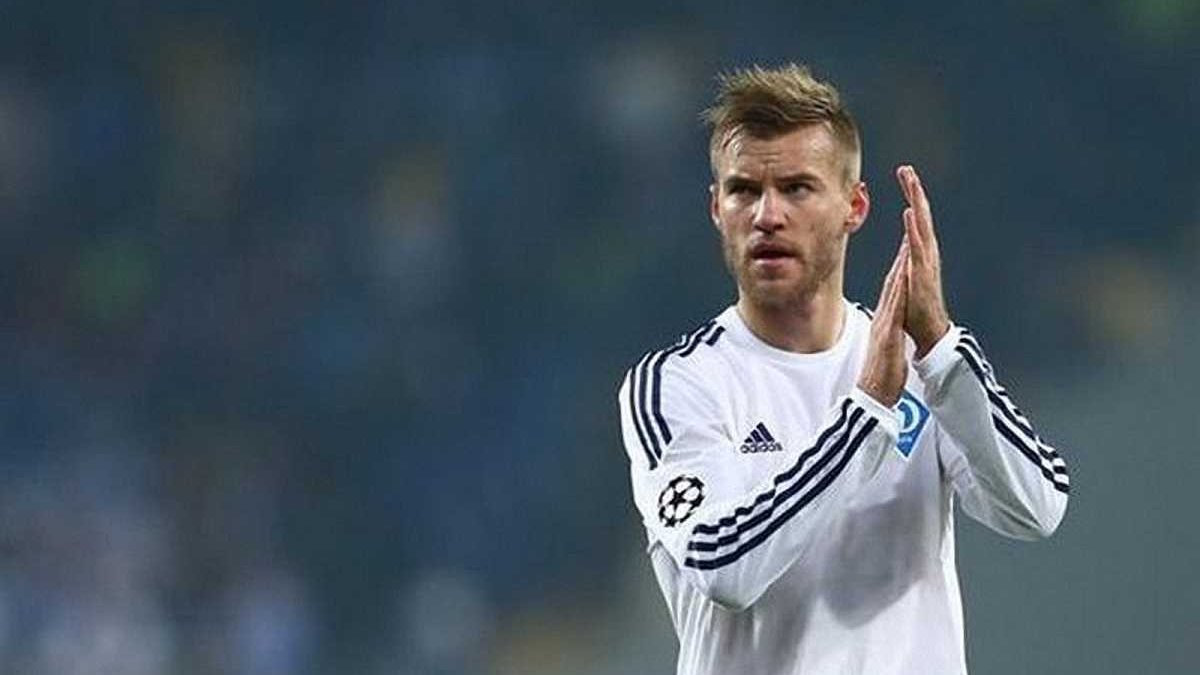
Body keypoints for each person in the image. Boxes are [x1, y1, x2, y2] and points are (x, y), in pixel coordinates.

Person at [616, 64, 1069, 675]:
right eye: (744, 190)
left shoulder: (924, 365)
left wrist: (941, 347)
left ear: (854, 206)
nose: (767, 215)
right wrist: (867, 414)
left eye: (797, 188)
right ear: (716, 208)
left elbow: (1036, 506)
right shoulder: (677, 384)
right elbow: (722, 563)